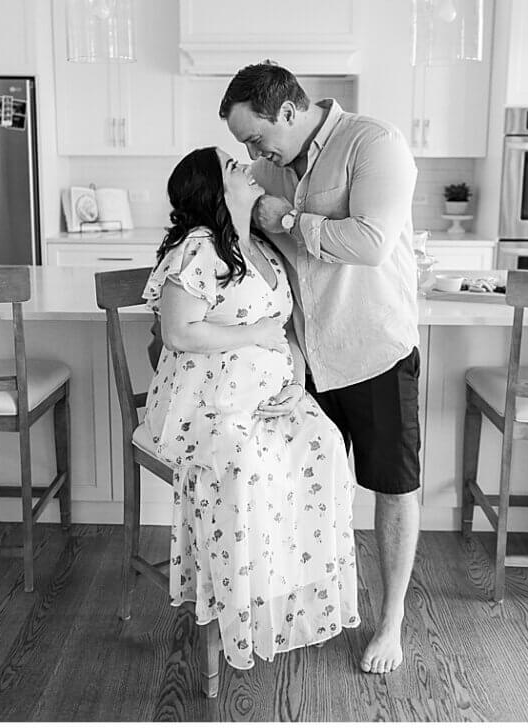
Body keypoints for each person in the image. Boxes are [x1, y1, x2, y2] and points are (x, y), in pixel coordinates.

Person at [222, 62, 420, 677]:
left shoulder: (374, 143)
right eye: (244, 147)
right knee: (302, 487)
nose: (252, 153)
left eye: (255, 138)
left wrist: (283, 219)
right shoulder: (266, 170)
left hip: (375, 349)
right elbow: (250, 250)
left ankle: (391, 623)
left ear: (287, 111)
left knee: (393, 486)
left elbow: (370, 244)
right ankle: (314, 605)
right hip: (305, 357)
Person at [142, 147, 359, 673]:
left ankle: (285, 592)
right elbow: (177, 331)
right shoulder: (199, 249)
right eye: (228, 166)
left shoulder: (259, 244)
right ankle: (241, 599)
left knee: (325, 444)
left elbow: (284, 328)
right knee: (244, 466)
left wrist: (297, 372)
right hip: (207, 404)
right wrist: (255, 334)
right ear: (212, 189)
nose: (242, 166)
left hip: (270, 395)